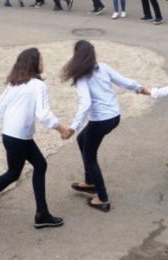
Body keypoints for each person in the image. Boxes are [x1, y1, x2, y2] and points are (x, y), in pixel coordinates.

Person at [0, 48, 71, 229]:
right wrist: (62, 129)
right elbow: (44, 115)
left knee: (38, 165)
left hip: (11, 136)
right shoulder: (38, 86)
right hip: (18, 139)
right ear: (34, 63)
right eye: (41, 59)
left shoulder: (14, 83)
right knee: (14, 173)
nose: (43, 62)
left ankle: (41, 213)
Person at [62, 40, 144, 211]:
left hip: (101, 120)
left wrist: (73, 127)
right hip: (114, 116)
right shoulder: (103, 68)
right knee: (82, 140)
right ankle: (89, 181)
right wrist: (139, 88)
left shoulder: (81, 77)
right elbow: (124, 81)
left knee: (90, 156)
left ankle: (102, 198)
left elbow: (85, 104)